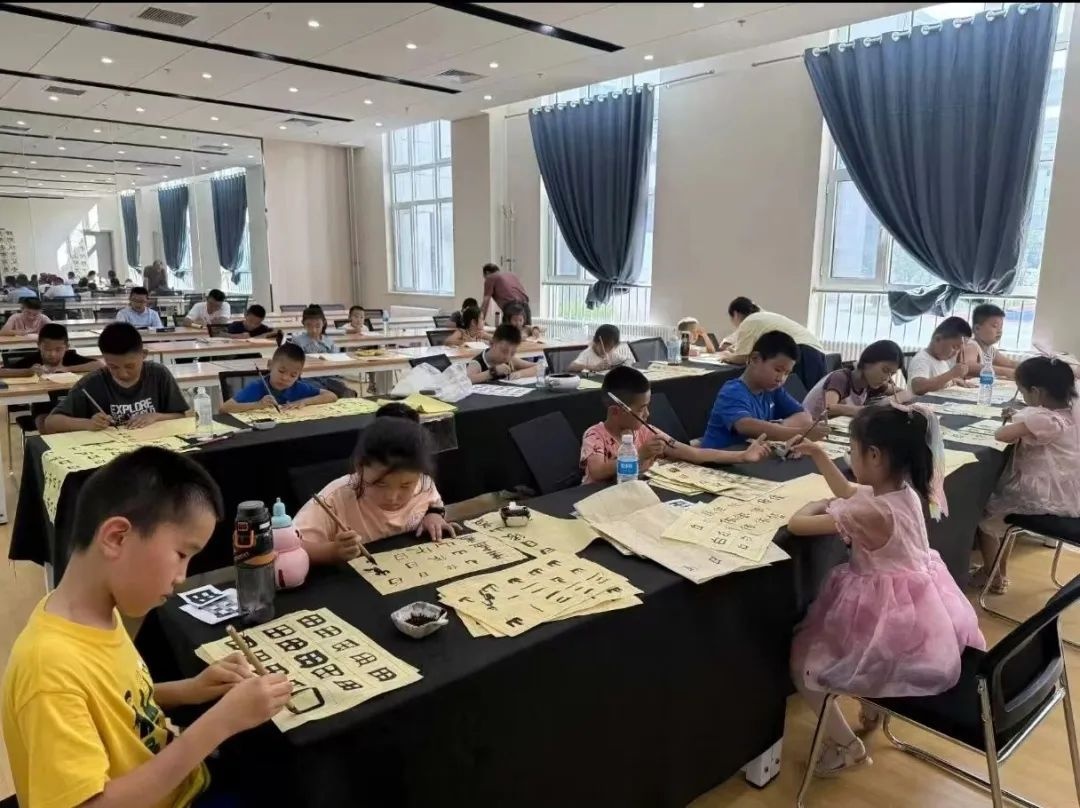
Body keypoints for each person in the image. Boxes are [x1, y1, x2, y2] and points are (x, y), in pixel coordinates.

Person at [1, 447, 292, 808]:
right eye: (181, 555)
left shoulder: (95, 614)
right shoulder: (47, 670)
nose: (182, 576)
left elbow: (114, 701)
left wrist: (190, 690)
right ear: (117, 538)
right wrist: (220, 723)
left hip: (183, 782)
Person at [786, 405, 985, 775]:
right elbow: (848, 489)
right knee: (866, 656)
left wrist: (815, 505)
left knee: (804, 666)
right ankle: (874, 704)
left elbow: (798, 525)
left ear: (875, 455)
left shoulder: (872, 512)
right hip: (914, 609)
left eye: (852, 450)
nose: (850, 458)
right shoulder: (903, 493)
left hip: (882, 610)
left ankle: (846, 745)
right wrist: (817, 454)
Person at [974, 356, 1080, 595]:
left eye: (1023, 393)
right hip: (1067, 497)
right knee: (1003, 518)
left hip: (1039, 497)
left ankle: (993, 576)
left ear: (1037, 392)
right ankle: (998, 571)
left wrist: (1017, 419)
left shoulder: (1042, 418)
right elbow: (1038, 425)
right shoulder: (1068, 415)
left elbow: (1002, 435)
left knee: (987, 518)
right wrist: (1023, 416)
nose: (1023, 398)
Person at [294, 417, 454, 564]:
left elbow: (434, 505)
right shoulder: (334, 498)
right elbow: (292, 546)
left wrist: (433, 516)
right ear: (360, 468)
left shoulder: (424, 483)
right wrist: (332, 551)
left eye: (405, 486)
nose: (392, 497)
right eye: (380, 484)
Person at [581, 366, 769, 484]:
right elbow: (597, 472)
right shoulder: (595, 435)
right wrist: (639, 455)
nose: (647, 414)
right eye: (641, 409)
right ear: (615, 411)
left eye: (648, 407)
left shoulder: (647, 433)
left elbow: (694, 454)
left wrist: (742, 456)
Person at [44, 323, 189, 433]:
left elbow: (183, 416)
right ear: (104, 359)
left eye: (130, 366)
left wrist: (156, 417)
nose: (123, 373)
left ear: (143, 355)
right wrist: (88, 424)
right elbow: (51, 423)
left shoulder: (158, 374)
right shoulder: (92, 383)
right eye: (113, 367)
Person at [701, 331, 825, 449]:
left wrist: (779, 426)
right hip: (719, 458)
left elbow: (804, 416)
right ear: (755, 359)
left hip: (750, 456)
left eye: (787, 373)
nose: (781, 378)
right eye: (777, 370)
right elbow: (745, 426)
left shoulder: (773, 390)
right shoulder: (733, 391)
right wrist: (799, 434)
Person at [0, 323, 101, 430]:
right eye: (47, 349)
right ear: (39, 345)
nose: (52, 354)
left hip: (73, 405)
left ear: (67, 347)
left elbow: (100, 365)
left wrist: (67, 369)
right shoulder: (32, 360)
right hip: (44, 407)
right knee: (45, 424)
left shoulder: (71, 357)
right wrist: (28, 371)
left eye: (58, 350)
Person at [720, 296, 827, 387]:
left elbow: (742, 358)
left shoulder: (749, 321)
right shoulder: (763, 316)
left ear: (735, 314)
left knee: (800, 395)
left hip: (802, 352)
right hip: (815, 351)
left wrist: (728, 357)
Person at [221, 343, 336, 414]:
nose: (285, 378)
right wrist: (258, 405)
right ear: (270, 365)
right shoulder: (257, 387)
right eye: (281, 371)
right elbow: (224, 408)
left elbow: (331, 396)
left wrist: (304, 402)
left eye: (293, 375)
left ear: (299, 374)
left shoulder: (298, 387)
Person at [802, 340, 903, 419]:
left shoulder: (872, 382)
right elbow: (829, 408)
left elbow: (904, 393)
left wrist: (892, 401)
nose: (886, 378)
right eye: (885, 370)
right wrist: (868, 410)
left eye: (892, 374)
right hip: (809, 427)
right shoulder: (841, 378)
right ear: (867, 362)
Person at [906, 316, 974, 395]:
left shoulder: (942, 361)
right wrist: (951, 374)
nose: (956, 353)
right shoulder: (922, 360)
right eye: (954, 347)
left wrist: (954, 381)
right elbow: (918, 387)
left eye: (958, 349)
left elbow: (939, 381)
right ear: (938, 339)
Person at [959, 303, 1020, 381]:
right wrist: (1009, 372)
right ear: (977, 329)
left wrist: (1028, 368)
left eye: (1001, 327)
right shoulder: (971, 345)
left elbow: (1009, 363)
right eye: (995, 326)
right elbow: (969, 366)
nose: (999, 331)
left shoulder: (990, 350)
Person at [465, 323, 538, 383]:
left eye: (512, 353)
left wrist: (520, 374)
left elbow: (539, 367)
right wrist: (492, 372)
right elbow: (466, 380)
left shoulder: (510, 360)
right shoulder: (477, 363)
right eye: (504, 351)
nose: (507, 357)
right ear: (492, 343)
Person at [567, 324, 634, 373]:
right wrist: (594, 367)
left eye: (610, 348)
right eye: (603, 347)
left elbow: (628, 360)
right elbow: (571, 366)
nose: (606, 350)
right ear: (595, 342)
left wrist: (618, 367)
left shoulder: (611, 354)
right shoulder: (588, 353)